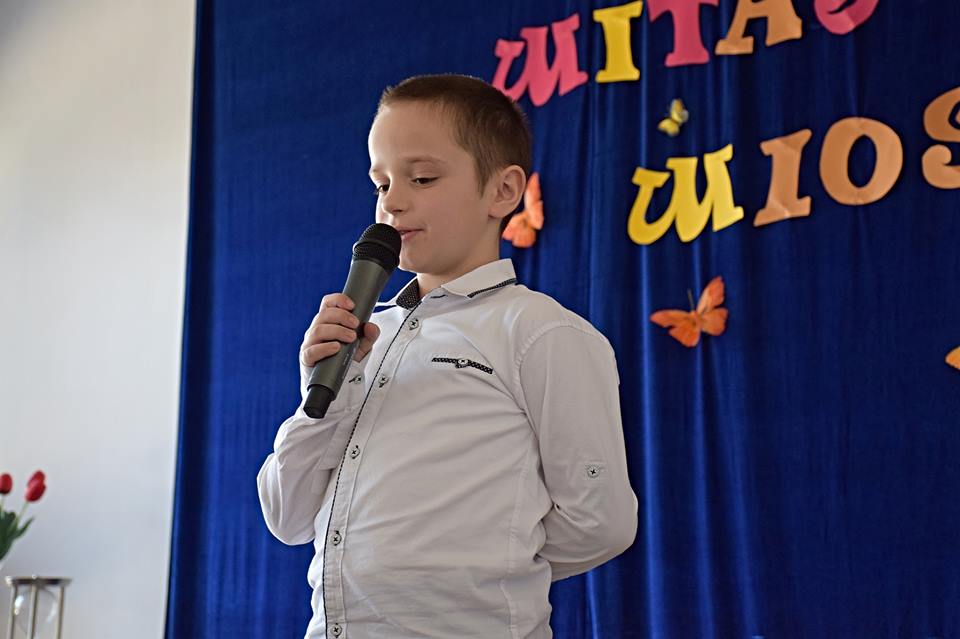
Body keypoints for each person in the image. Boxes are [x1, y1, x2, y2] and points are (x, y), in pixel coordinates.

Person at [257, 73, 638, 639]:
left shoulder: (539, 332)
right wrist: (320, 395)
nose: (392, 202)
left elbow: (601, 522)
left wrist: (485, 566)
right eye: (381, 183)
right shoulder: (366, 335)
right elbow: (288, 518)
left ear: (503, 191)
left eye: (422, 178)